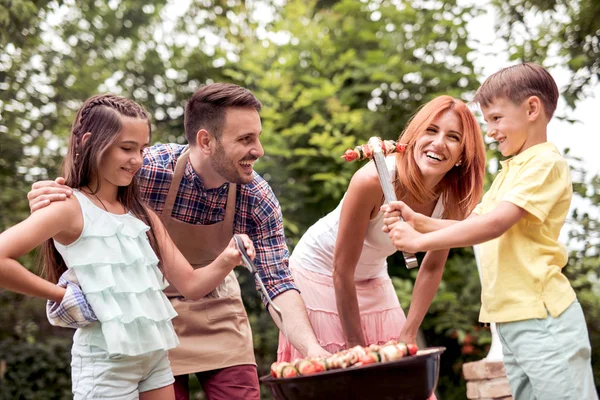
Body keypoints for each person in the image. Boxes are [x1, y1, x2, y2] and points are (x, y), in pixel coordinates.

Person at [28, 83, 328, 400]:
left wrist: (311, 349)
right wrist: (52, 198)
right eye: (245, 139)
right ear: (205, 141)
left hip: (219, 312)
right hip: (152, 317)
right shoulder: (146, 171)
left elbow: (277, 281)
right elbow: (89, 202)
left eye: (257, 137)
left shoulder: (256, 197)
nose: (259, 150)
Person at [0, 94, 257, 399]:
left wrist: (228, 258)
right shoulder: (69, 207)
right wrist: (63, 295)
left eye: (142, 149)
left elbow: (190, 285)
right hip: (105, 364)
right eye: (126, 148)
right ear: (89, 142)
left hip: (155, 358)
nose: (137, 159)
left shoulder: (141, 213)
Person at [383, 63, 597, 400]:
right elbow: (472, 226)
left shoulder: (544, 162)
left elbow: (495, 224)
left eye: (496, 118)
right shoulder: (514, 169)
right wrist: (416, 219)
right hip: (512, 320)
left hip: (542, 318)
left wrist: (420, 240)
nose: (491, 131)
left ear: (531, 109)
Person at [277, 95, 486, 363]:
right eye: (431, 130)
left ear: (461, 156)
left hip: (372, 275)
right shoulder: (373, 180)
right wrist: (356, 348)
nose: (438, 142)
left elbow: (432, 267)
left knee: (400, 363)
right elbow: (341, 270)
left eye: (453, 137)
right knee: (348, 371)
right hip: (318, 272)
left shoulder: (452, 199)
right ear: (413, 137)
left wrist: (409, 332)